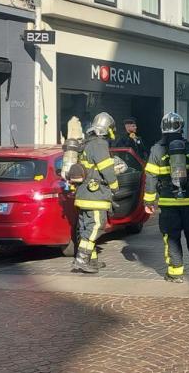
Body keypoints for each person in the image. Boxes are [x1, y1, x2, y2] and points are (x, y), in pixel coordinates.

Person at [143, 112, 189, 283]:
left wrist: (149, 201)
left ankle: (175, 273)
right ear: (181, 127)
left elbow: (150, 177)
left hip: (167, 204)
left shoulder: (156, 149)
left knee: (172, 238)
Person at [72, 112, 119, 274]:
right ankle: (81, 259)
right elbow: (106, 169)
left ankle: (91, 260)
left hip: (83, 194)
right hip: (95, 196)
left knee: (86, 227)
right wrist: (114, 186)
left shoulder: (86, 143)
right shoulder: (99, 144)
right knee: (96, 226)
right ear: (107, 129)